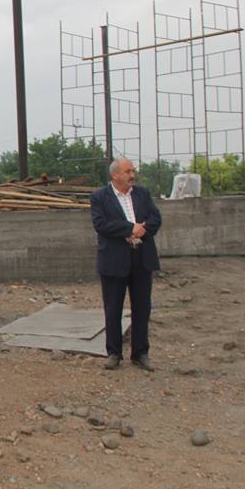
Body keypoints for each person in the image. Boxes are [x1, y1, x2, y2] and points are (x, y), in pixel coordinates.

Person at [90, 157, 162, 372]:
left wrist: (142, 230)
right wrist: (130, 229)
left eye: (132, 171)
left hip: (142, 258)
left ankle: (140, 353)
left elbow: (155, 218)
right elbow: (101, 224)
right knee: (113, 308)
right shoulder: (100, 197)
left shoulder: (142, 194)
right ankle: (114, 353)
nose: (132, 175)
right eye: (128, 171)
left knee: (142, 307)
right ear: (115, 175)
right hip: (114, 260)